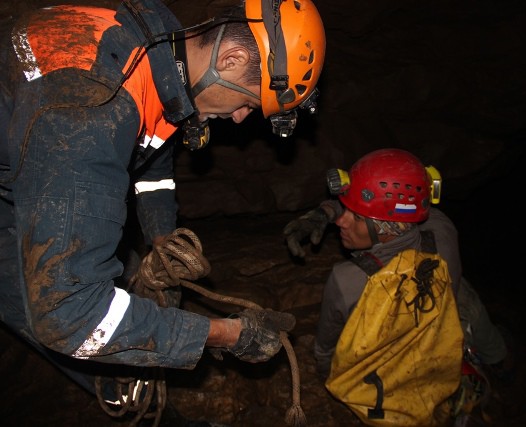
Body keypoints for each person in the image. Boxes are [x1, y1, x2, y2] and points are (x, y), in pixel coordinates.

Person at [0, 0, 325, 420]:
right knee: (71, 316)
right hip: (24, 194)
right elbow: (69, 315)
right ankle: (134, 402)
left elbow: (151, 153)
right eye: (250, 101)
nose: (241, 118)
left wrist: (162, 238)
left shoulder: (151, 48)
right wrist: (228, 334)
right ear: (231, 59)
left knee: (125, 279)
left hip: (32, 164)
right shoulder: (89, 115)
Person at [283, 149, 510, 380]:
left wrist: (326, 373)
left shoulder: (346, 280)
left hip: (393, 369)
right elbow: (406, 205)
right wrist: (329, 211)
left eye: (357, 217)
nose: (341, 221)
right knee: (462, 291)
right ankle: (497, 358)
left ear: (385, 229)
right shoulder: (442, 228)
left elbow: (326, 348)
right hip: (440, 333)